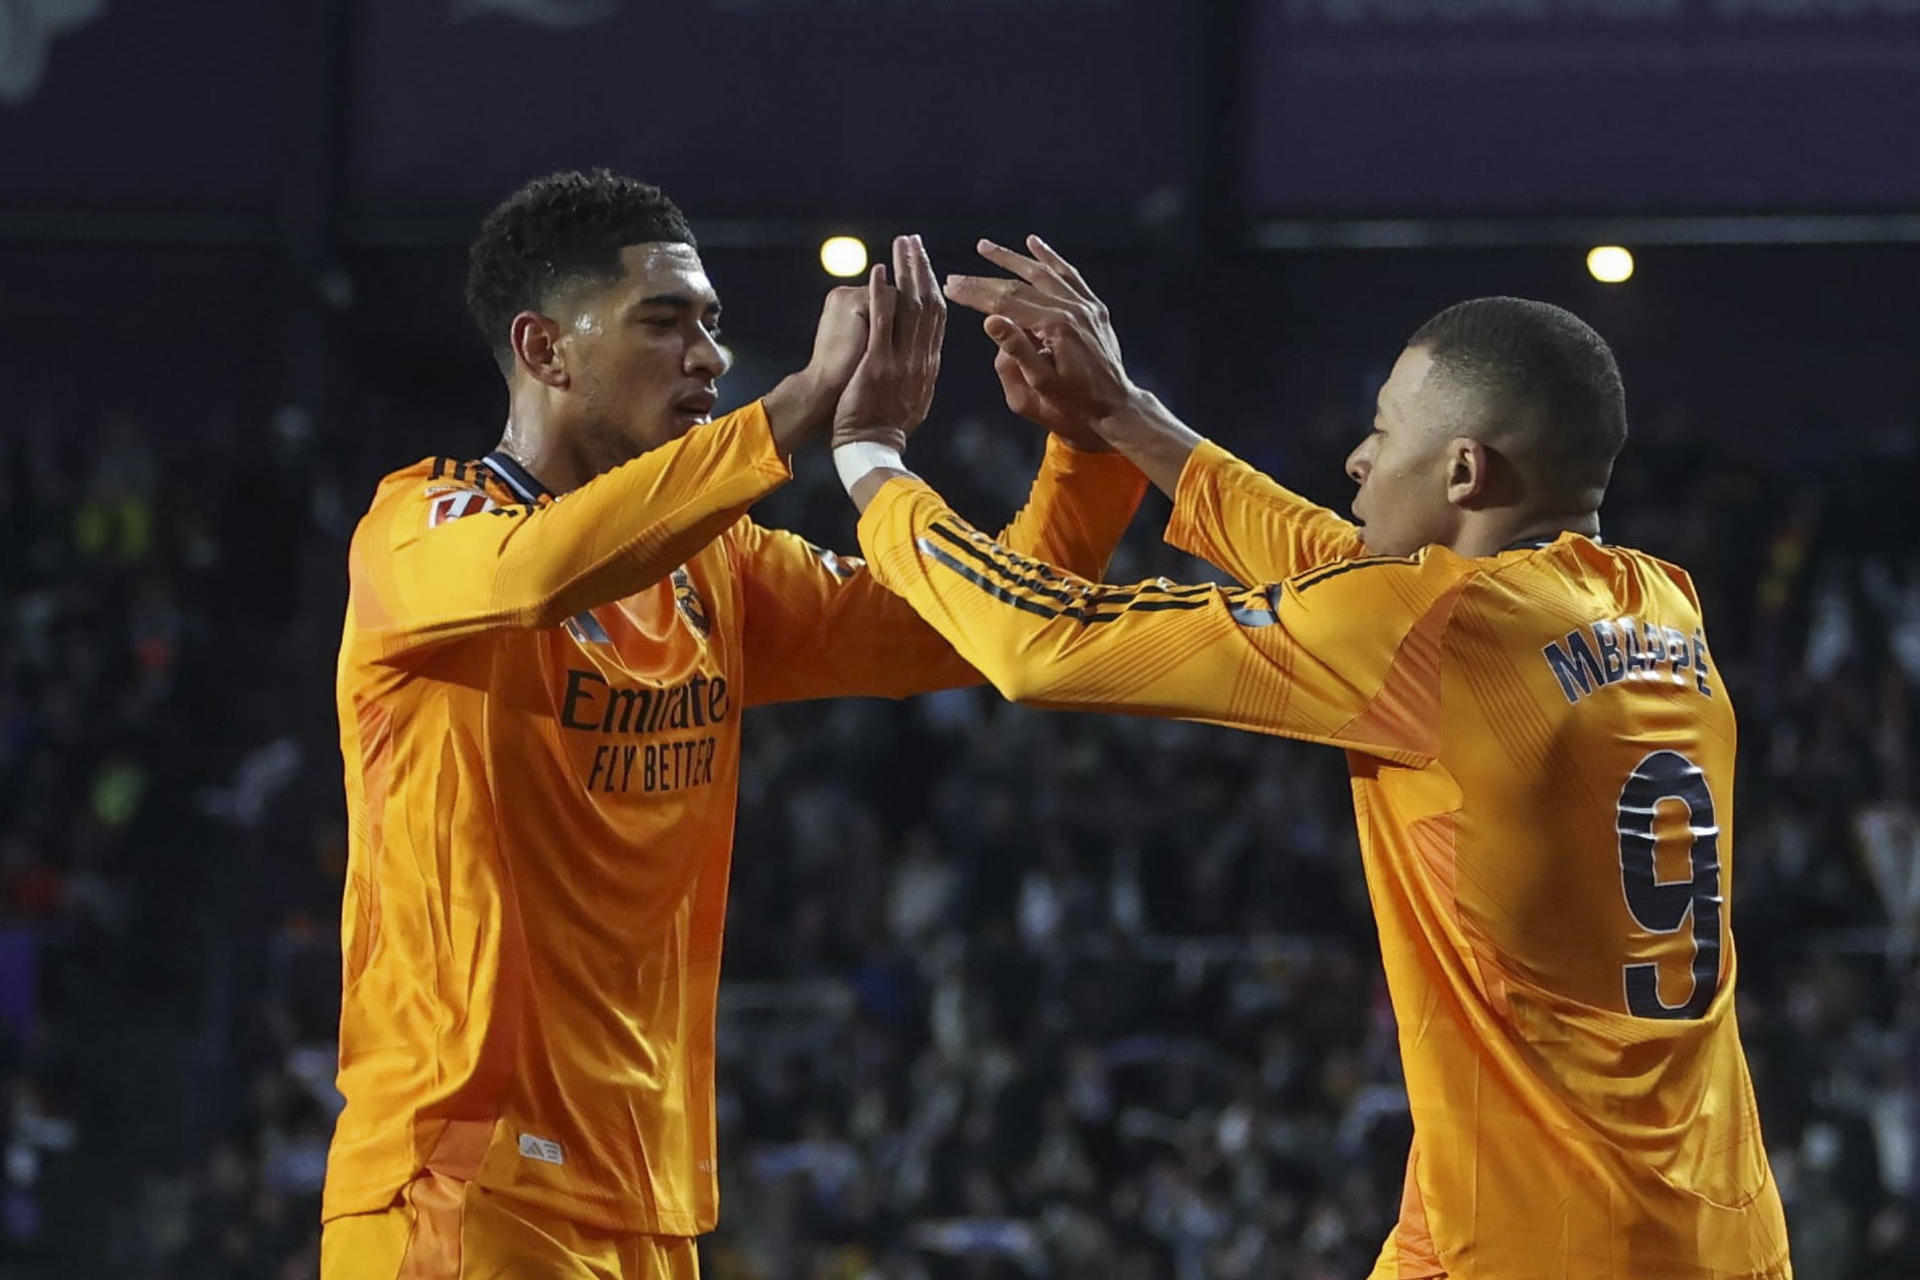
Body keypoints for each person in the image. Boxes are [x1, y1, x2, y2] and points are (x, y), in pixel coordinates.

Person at [830, 237, 1792, 1278]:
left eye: (1383, 431)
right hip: (1705, 1219)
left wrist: (872, 460)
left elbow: (1042, 643)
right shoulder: (1659, 601)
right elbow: (1347, 570)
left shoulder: (1429, 632)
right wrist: (1124, 415)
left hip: (1544, 1242)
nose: (1356, 462)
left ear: (1464, 470)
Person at [319, 176, 1145, 1279]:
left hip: (647, 1196)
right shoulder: (420, 528)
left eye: (711, 322)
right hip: (459, 1184)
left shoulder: (717, 567)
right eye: (664, 322)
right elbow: (536, 575)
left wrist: (1091, 444)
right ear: (545, 349)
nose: (708, 355)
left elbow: (969, 626)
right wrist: (801, 406)